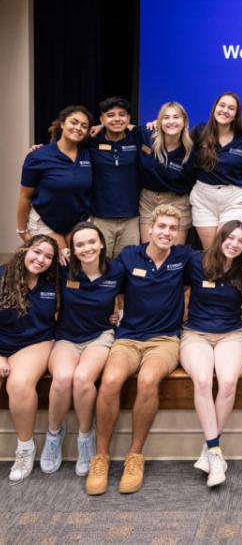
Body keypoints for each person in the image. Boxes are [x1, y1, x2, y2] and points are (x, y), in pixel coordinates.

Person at [85, 204, 192, 495]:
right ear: (150, 229)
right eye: (162, 227)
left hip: (165, 341)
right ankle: (101, 457)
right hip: (128, 338)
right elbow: (103, 280)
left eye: (173, 228)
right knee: (109, 381)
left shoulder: (183, 257)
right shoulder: (130, 256)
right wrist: (110, 312)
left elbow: (219, 262)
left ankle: (134, 455)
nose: (167, 233)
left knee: (147, 380)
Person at [40, 222, 124, 477]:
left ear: (101, 243)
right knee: (63, 378)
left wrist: (121, 312)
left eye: (91, 242)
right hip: (66, 337)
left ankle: (86, 437)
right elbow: (34, 264)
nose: (86, 248)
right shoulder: (64, 270)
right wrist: (58, 253)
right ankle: (54, 434)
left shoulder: (116, 271)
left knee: (83, 378)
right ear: (72, 250)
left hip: (99, 336)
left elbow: (136, 293)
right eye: (80, 244)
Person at [181, 220, 242, 487]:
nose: (234, 244)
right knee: (201, 379)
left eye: (240, 241)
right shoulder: (195, 260)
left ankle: (211, 449)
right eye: (230, 238)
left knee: (228, 382)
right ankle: (215, 452)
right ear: (220, 238)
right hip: (195, 334)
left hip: (231, 333)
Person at [0, 235, 59, 483]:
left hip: (36, 343)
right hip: (2, 344)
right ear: (25, 249)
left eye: (48, 256)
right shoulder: (2, 275)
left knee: (19, 383)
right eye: (37, 252)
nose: (41, 259)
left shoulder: (53, 282)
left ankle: (25, 449)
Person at [18, 105, 93, 250]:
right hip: (45, 221)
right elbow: (24, 196)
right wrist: (22, 230)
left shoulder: (88, 154)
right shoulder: (38, 156)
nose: (78, 128)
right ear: (62, 123)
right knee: (58, 261)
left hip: (77, 221)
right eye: (74, 122)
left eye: (84, 126)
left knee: (75, 265)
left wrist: (102, 126)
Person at [190, 93, 242, 249]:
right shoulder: (199, 131)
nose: (225, 110)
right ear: (214, 108)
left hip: (234, 199)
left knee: (227, 249)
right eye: (222, 105)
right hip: (203, 198)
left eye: (231, 108)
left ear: (236, 115)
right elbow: (176, 140)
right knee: (211, 252)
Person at [89, 97, 141, 258]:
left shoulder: (138, 138)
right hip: (100, 217)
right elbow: (64, 140)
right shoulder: (91, 139)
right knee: (100, 263)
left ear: (128, 118)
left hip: (131, 217)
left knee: (128, 264)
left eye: (122, 115)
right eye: (110, 115)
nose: (117, 119)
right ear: (101, 119)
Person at [136, 101, 195, 244]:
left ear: (184, 121)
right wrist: (99, 126)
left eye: (176, 117)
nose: (171, 122)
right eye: (166, 117)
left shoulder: (191, 149)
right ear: (159, 121)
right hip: (148, 200)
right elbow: (123, 129)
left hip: (177, 201)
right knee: (148, 251)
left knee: (174, 255)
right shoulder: (146, 135)